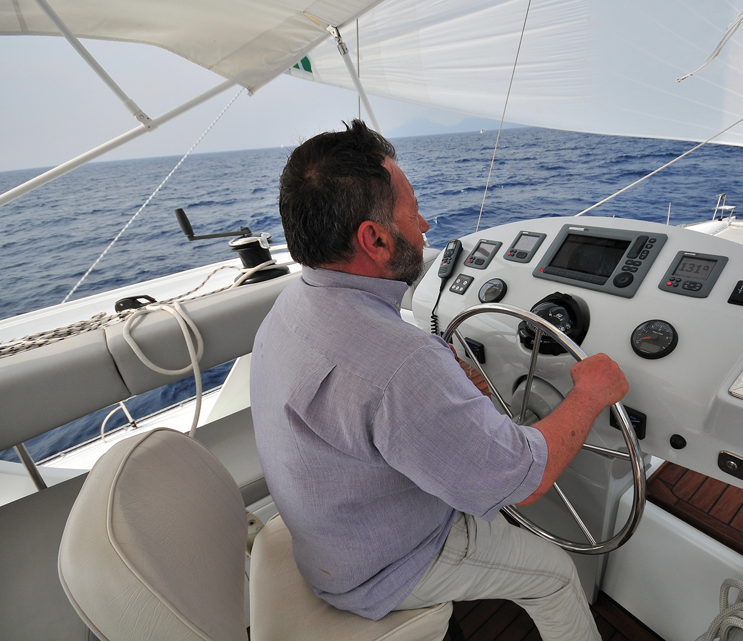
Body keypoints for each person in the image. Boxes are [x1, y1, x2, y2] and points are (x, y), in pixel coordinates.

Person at [250, 120, 629, 641]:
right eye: (413, 210)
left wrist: (440, 383)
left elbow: (371, 397)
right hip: (383, 568)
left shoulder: (295, 303)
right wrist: (590, 394)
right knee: (556, 577)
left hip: (332, 539)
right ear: (376, 238)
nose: (425, 224)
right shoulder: (400, 366)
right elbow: (527, 481)